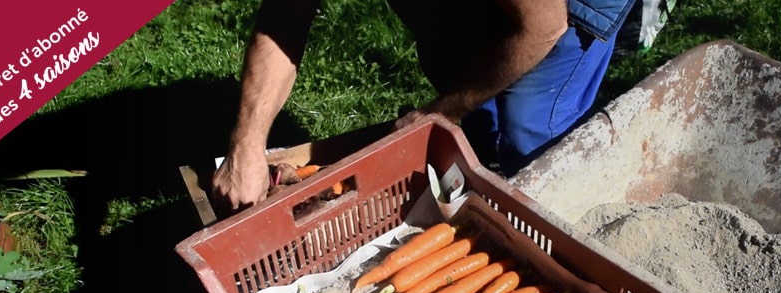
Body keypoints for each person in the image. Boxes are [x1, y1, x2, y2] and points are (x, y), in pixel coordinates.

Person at [211, 0, 637, 212]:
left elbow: (541, 26)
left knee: (528, 130)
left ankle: (559, 246)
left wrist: (442, 112)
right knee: (458, 70)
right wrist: (246, 146)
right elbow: (286, 17)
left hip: (557, 11)